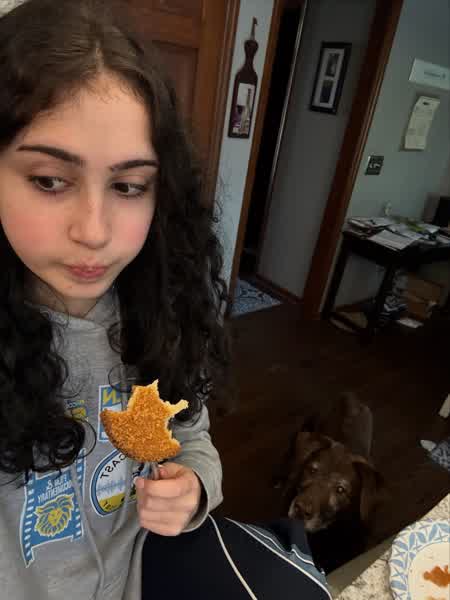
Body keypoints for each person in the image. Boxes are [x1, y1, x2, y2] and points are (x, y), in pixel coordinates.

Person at [0, 1, 331, 599]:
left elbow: (191, 436)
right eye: (49, 180)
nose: (94, 232)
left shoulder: (159, 315)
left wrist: (194, 487)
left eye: (129, 186)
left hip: (143, 572)